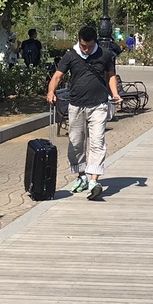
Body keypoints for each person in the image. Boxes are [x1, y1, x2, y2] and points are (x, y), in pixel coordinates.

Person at [46, 25, 121, 201]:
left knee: (97, 142)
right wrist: (51, 91)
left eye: (89, 46)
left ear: (95, 42)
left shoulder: (105, 55)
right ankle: (81, 176)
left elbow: (111, 75)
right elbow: (57, 76)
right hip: (76, 105)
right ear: (79, 42)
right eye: (83, 46)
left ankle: (94, 181)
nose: (85, 49)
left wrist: (115, 93)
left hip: (99, 105)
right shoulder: (71, 55)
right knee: (76, 143)